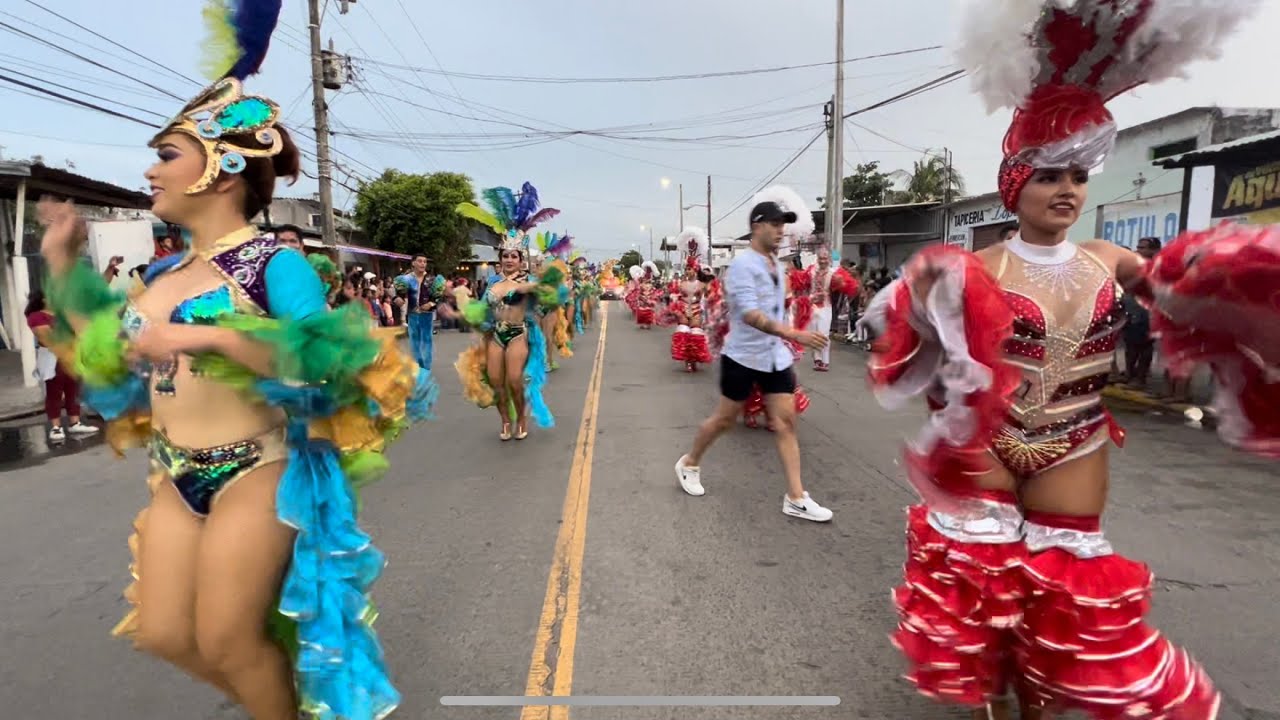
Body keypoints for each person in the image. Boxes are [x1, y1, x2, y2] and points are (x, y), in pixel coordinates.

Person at [863, 2, 1268, 718]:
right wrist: (918, 306)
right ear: (1017, 182)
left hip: (1074, 440)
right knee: (989, 595)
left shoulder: (1111, 260)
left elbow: (1190, 296)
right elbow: (908, 335)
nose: (1068, 190)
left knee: (1065, 597)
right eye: (1051, 174)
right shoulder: (972, 265)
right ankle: (998, 699)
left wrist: (1237, 289)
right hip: (989, 444)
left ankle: (1038, 706)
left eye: (1079, 176)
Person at [35, 11, 434, 717]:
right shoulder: (159, 275)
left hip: (258, 469)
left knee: (225, 640)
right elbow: (108, 358)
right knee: (163, 634)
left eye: (167, 155)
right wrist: (65, 267)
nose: (150, 169)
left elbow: (327, 360)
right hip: (175, 471)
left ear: (220, 169)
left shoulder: (273, 263)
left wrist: (206, 339)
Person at [674, 199, 832, 522]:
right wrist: (795, 334)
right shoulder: (742, 266)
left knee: (786, 422)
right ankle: (689, 462)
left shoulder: (777, 264)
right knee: (724, 421)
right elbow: (750, 315)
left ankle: (796, 496)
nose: (780, 231)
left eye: (783, 225)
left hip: (774, 357)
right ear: (757, 227)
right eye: (774, 224)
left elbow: (776, 307)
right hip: (743, 357)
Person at [454, 182, 566, 440]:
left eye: (514, 256)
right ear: (501, 258)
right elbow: (482, 311)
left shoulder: (528, 283)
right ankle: (506, 420)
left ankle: (522, 418)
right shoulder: (492, 283)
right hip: (496, 335)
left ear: (520, 259)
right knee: (496, 382)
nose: (508, 260)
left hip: (518, 333)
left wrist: (536, 290)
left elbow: (548, 298)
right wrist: (463, 312)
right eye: (505, 256)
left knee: (514, 380)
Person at [25, 289, 99, 442]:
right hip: (52, 358)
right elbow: (47, 338)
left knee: (73, 389)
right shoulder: (36, 316)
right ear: (44, 299)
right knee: (54, 392)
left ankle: (75, 422)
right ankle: (56, 427)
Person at [669, 229, 713, 372]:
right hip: (683, 310)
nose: (688, 271)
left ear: (696, 269)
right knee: (684, 334)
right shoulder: (680, 284)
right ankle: (687, 361)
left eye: (691, 269)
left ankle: (694, 360)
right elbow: (674, 297)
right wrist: (676, 310)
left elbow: (711, 298)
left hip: (696, 312)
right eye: (687, 268)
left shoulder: (702, 285)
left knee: (695, 335)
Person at [1122, 237, 1160, 388]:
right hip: (1132, 310)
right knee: (1130, 345)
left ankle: (1140, 378)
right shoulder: (1137, 265)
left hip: (1148, 312)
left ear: (1154, 250)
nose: (1138, 250)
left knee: (1144, 346)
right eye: (1138, 247)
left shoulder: (1157, 267)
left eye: (1143, 247)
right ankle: (1130, 375)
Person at [396, 253, 440, 369]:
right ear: (413, 263)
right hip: (413, 315)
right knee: (414, 342)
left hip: (427, 315)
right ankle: (418, 365)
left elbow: (437, 297)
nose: (423, 264)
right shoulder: (406, 279)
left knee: (427, 341)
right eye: (420, 261)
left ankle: (426, 368)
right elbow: (398, 295)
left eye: (425, 262)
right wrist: (397, 299)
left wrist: (430, 303)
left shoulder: (431, 279)